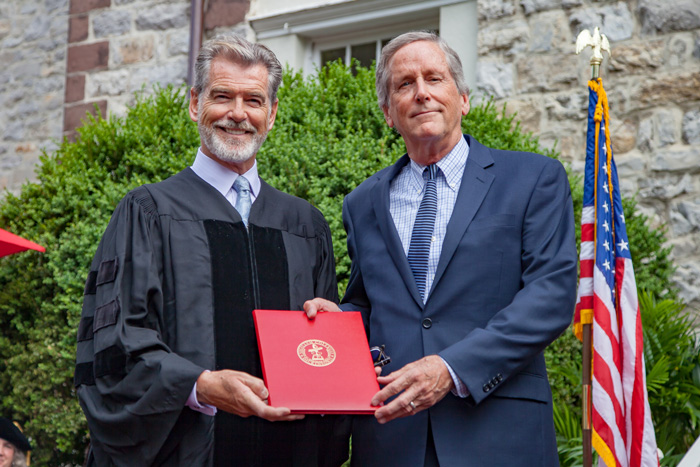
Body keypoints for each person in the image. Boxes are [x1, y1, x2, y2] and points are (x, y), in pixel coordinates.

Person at [74, 34, 349, 466]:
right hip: (183, 454)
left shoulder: (304, 225)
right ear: (194, 103)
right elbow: (115, 345)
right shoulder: (148, 212)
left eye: (254, 100)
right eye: (223, 96)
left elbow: (323, 360)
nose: (238, 114)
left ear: (272, 114)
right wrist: (198, 385)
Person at [304, 31, 578, 466]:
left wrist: (450, 370)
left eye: (435, 78)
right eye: (404, 84)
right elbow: (368, 303)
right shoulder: (362, 203)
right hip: (393, 437)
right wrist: (340, 324)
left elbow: (551, 296)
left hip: (498, 433)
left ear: (463, 99)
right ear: (388, 112)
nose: (422, 93)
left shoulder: (532, 179)